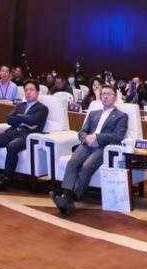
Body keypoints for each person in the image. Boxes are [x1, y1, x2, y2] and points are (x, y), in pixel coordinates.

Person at [52, 85, 127, 214]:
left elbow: (118, 136)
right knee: (73, 162)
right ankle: (67, 196)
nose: (105, 96)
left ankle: (72, 197)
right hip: (87, 144)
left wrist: (97, 137)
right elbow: (82, 132)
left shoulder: (121, 116)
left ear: (115, 98)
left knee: (87, 166)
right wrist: (86, 138)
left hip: (102, 147)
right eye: (103, 94)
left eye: (109, 94)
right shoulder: (93, 113)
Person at [0, 80, 49, 191]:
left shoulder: (42, 108)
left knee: (12, 146)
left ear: (37, 92)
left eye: (31, 90)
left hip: (26, 136)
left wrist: (19, 118)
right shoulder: (21, 105)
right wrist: (24, 120)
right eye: (26, 90)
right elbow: (9, 119)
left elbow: (33, 120)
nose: (28, 92)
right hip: (12, 132)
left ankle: (6, 179)